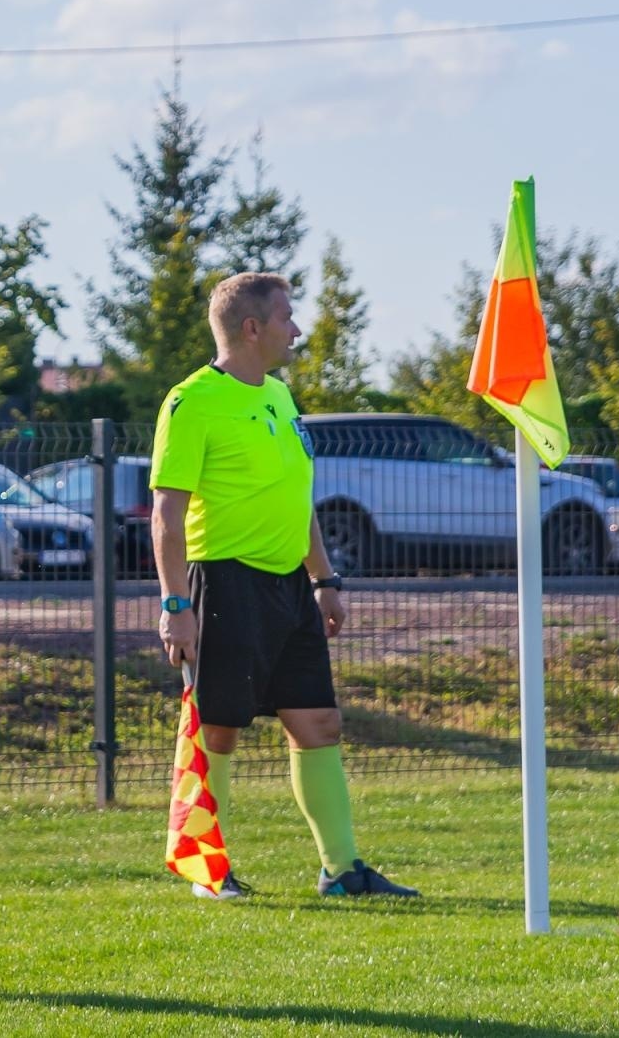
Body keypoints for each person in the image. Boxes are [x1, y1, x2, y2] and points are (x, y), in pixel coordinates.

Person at [149, 272, 417, 901]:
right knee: (219, 728)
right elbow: (166, 513)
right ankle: (207, 871)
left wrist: (323, 579)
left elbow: (299, 500)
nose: (296, 329)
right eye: (287, 318)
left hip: (289, 589)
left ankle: (343, 871)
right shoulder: (190, 401)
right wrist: (175, 608)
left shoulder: (280, 396)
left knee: (319, 722)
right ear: (252, 327)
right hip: (223, 583)